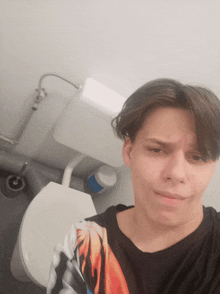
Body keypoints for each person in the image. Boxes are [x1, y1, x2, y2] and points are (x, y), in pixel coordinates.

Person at [46, 78, 220, 294]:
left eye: (198, 156)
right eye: (157, 150)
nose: (176, 173)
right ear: (129, 152)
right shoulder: (85, 242)